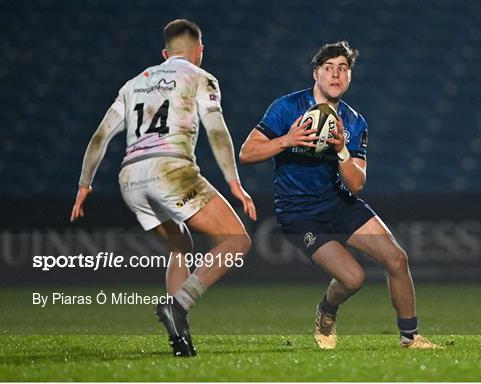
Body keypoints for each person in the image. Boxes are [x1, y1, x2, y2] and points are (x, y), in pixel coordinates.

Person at [70, 19, 257, 357]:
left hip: (130, 178)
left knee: (179, 247)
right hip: (170, 169)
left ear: (164, 53)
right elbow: (216, 130)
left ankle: (179, 338)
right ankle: (179, 305)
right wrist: (234, 181)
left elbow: (100, 136)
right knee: (237, 241)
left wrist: (85, 184)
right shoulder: (200, 77)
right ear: (200, 51)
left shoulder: (134, 84)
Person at [239, 41, 438, 349]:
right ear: (315, 73)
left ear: (349, 77)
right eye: (329, 68)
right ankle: (327, 310)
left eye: (343, 69)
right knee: (353, 279)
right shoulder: (286, 107)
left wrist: (341, 150)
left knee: (397, 259)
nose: (336, 75)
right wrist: (287, 139)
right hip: (299, 213)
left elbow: (357, 184)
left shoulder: (354, 122)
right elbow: (247, 153)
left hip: (338, 203)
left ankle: (409, 338)